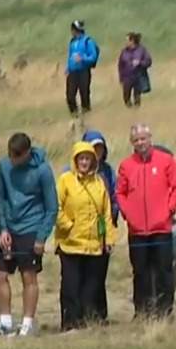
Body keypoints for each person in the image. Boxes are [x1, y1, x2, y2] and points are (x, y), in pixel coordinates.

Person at [116, 123, 176, 319]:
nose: (140, 143)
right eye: (136, 140)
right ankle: (142, 311)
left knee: (164, 271)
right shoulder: (126, 165)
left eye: (143, 139)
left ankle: (164, 310)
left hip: (161, 228)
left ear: (150, 138)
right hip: (137, 230)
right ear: (132, 142)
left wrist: (168, 209)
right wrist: (128, 213)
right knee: (140, 272)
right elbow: (120, 192)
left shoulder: (166, 160)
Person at [0, 133, 57, 337]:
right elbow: (0, 197)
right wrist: (3, 228)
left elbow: (52, 207)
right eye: (11, 155)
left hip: (31, 227)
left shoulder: (43, 170)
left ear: (27, 152)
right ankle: (5, 322)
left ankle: (27, 323)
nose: (13, 159)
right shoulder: (4, 166)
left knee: (28, 276)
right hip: (9, 228)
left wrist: (41, 237)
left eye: (17, 156)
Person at [54, 140, 118, 330]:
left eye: (88, 159)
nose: (84, 162)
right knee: (70, 286)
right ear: (75, 160)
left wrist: (108, 238)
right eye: (81, 158)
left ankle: (89, 321)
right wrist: (68, 225)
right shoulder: (65, 180)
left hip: (94, 244)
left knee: (91, 286)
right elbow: (56, 207)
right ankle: (70, 323)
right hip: (70, 243)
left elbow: (105, 213)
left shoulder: (99, 182)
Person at [65, 20, 98, 117]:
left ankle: (86, 114)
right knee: (70, 95)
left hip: (83, 71)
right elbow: (70, 56)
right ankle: (74, 114)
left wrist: (83, 58)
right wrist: (68, 68)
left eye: (73, 30)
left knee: (84, 93)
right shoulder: (72, 42)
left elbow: (93, 56)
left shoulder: (88, 41)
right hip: (73, 71)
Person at [118, 32, 152, 108]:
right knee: (126, 97)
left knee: (137, 96)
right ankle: (129, 109)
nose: (125, 42)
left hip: (138, 77)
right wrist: (121, 78)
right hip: (127, 78)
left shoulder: (142, 50)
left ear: (132, 41)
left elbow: (148, 61)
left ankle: (136, 110)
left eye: (127, 40)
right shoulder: (124, 51)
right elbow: (120, 65)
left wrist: (140, 63)